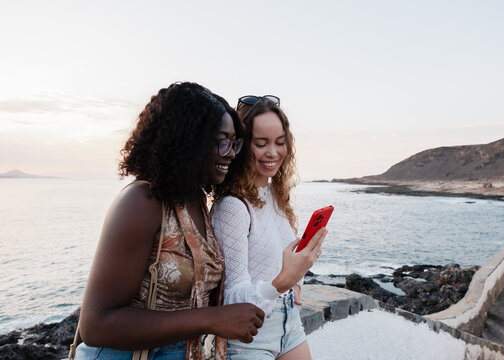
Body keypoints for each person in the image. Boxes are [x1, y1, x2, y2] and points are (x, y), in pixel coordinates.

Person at [72, 83, 265, 360]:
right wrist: (211, 319)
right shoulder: (142, 202)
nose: (232, 153)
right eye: (222, 141)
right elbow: (96, 325)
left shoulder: (197, 200)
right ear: (188, 141)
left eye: (235, 142)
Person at [211, 95, 327, 360]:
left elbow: (276, 262)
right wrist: (282, 281)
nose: (273, 152)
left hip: (289, 320)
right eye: (261, 143)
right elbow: (231, 299)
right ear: (240, 146)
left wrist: (294, 284)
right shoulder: (233, 207)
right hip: (250, 336)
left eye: (280, 142)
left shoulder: (274, 193)